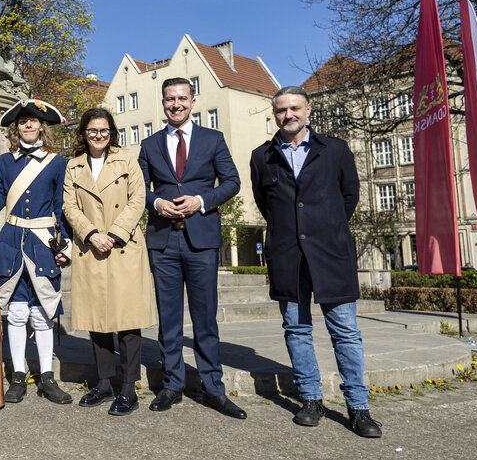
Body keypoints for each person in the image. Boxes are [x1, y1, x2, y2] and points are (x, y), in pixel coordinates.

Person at [249, 86, 382, 438]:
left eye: (294, 108)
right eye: (281, 110)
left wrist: (324, 228)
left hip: (330, 256)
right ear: (274, 114)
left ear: (308, 110)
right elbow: (267, 204)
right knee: (296, 330)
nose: (288, 115)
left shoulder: (334, 150)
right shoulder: (262, 156)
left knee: (345, 333)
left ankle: (358, 408)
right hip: (288, 257)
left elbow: (349, 196)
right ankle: (311, 399)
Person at [138, 77, 246, 419]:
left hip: (201, 240)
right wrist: (156, 203)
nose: (176, 104)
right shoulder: (150, 144)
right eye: (170, 99)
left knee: (205, 318)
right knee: (168, 319)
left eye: (182, 98)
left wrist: (201, 200)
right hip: (163, 239)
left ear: (193, 101)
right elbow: (137, 188)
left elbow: (232, 182)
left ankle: (213, 388)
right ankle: (172, 384)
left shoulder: (213, 139)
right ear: (164, 102)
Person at [62, 108, 156, 416]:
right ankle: (103, 384)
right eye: (92, 131)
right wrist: (91, 234)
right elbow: (69, 206)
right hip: (91, 248)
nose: (98, 136)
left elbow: (138, 199)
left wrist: (113, 234)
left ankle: (129, 388)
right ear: (83, 134)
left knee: (127, 322)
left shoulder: (127, 158)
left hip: (122, 247)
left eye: (104, 131)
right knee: (97, 321)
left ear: (111, 133)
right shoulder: (73, 166)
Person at [0, 98, 72, 405]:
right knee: (16, 313)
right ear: (16, 128)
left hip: (43, 242)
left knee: (43, 313)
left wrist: (65, 246)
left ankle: (47, 377)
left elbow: (62, 208)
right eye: (22, 121)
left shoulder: (58, 163)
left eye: (33, 120)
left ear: (42, 126)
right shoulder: (5, 162)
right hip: (11, 240)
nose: (28, 124)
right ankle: (18, 375)